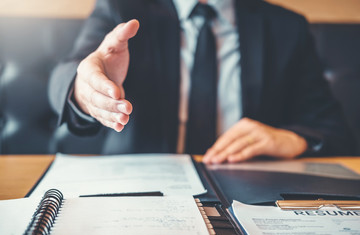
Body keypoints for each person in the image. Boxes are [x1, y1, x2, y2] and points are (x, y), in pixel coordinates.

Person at [49, 0, 356, 163]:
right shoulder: (122, 8)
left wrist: (291, 139)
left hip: (250, 191)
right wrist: (87, 90)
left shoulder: (286, 26)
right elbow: (74, 71)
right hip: (140, 186)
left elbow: (332, 129)